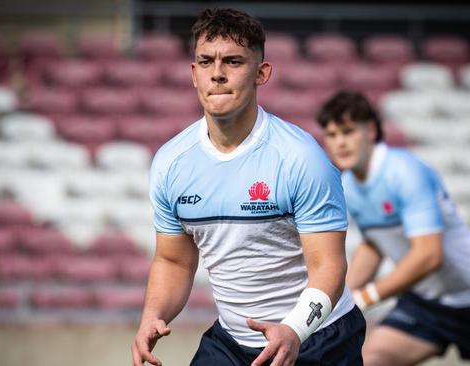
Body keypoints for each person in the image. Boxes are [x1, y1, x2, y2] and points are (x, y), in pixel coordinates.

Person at [131, 8, 365, 366]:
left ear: (262, 73)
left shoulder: (300, 158)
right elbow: (174, 261)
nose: (218, 74)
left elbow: (329, 268)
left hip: (316, 338)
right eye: (206, 62)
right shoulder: (170, 162)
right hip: (232, 342)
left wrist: (294, 330)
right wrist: (152, 315)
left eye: (233, 61)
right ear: (194, 74)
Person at [316, 90, 470, 366]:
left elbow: (429, 255)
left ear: (370, 130)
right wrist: (336, 302)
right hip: (426, 303)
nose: (340, 142)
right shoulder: (349, 185)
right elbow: (375, 244)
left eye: (347, 132)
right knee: (369, 360)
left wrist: (367, 296)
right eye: (332, 135)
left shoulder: (404, 172)